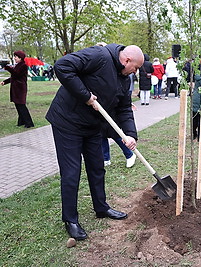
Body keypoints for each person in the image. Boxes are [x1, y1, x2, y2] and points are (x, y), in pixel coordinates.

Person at [46, 44, 144, 241]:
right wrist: (85, 96)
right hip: (67, 122)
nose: (137, 71)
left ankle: (101, 207)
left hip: (92, 127)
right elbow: (63, 66)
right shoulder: (98, 56)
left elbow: (125, 108)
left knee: (97, 167)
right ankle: (71, 220)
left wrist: (131, 134)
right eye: (136, 67)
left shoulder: (125, 79)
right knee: (72, 172)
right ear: (126, 61)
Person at [1, 50, 34, 128]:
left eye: (16, 57)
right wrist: (5, 82)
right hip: (16, 89)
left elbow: (16, 74)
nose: (14, 58)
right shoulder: (18, 65)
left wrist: (8, 68)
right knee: (18, 105)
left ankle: (29, 123)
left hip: (20, 89)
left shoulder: (23, 66)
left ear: (20, 58)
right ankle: (21, 121)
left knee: (21, 106)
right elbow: (13, 77)